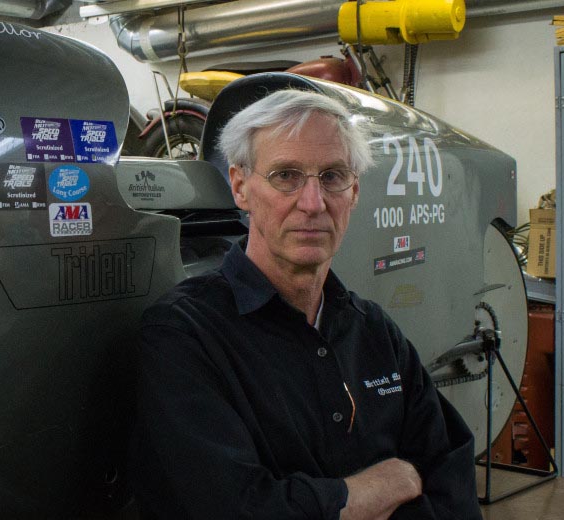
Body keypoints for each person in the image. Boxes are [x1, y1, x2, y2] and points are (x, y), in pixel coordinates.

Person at [128, 89, 482, 519]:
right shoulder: (183, 337)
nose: (313, 204)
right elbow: (234, 508)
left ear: (354, 193)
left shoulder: (373, 331)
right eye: (286, 176)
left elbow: (451, 480)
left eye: (332, 176)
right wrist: (376, 489)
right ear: (240, 187)